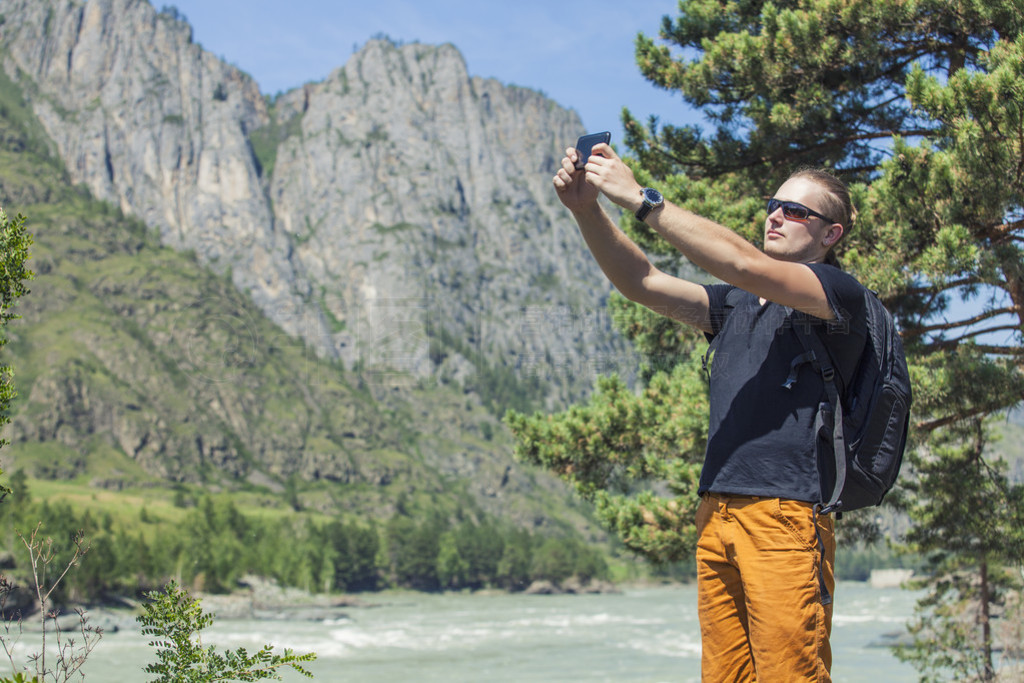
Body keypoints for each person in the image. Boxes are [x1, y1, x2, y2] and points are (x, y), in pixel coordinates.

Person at [552, 141, 868, 682]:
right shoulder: (736, 305)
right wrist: (588, 209)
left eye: (796, 211)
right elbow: (643, 283)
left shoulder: (835, 295)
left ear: (829, 234)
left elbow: (744, 262)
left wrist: (641, 199)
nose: (776, 215)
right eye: (774, 204)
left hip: (785, 517)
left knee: (791, 675)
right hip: (716, 513)